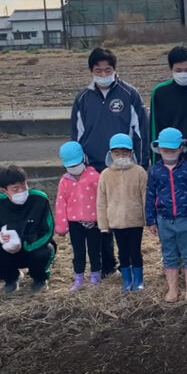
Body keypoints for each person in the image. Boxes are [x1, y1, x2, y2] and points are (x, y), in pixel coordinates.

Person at [70, 47, 150, 278]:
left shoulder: (129, 94)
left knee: (125, 215)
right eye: (98, 70)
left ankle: (131, 263)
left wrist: (141, 164)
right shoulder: (83, 98)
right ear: (91, 71)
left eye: (108, 69)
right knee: (100, 217)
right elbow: (77, 135)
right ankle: (107, 265)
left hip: (124, 166)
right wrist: (81, 168)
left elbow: (140, 131)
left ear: (115, 70)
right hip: (94, 167)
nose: (103, 74)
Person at [146, 128, 187, 302]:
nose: (169, 153)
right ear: (158, 149)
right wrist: (151, 220)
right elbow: (150, 196)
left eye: (173, 149)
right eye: (166, 150)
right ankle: (172, 289)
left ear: (181, 148)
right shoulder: (155, 171)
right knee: (169, 254)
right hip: (164, 219)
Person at [0, 165, 56, 294]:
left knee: (44, 252)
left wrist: (25, 244)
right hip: (8, 250)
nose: (22, 191)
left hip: (34, 247)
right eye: (15, 189)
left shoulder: (39, 199)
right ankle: (11, 278)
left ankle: (40, 279)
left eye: (24, 185)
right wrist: (0, 238)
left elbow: (48, 229)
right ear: (5, 191)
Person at [97, 133, 147, 292]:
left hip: (135, 220)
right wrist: (103, 224)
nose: (121, 156)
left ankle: (138, 280)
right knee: (122, 252)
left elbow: (145, 196)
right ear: (110, 154)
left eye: (125, 152)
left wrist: (147, 219)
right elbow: (101, 201)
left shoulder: (139, 172)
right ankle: (127, 280)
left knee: (135, 251)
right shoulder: (105, 175)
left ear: (132, 153)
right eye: (117, 153)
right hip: (116, 221)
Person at [55, 141, 102, 291]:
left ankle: (95, 274)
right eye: (70, 165)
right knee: (78, 251)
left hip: (94, 222)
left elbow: (102, 200)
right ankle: (78, 277)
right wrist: (61, 226)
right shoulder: (64, 181)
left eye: (76, 164)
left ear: (83, 159)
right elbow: (61, 203)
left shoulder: (95, 177)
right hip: (74, 223)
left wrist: (104, 220)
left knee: (95, 250)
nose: (74, 168)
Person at [149, 45, 187, 164]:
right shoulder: (160, 92)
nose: (183, 74)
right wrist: (155, 163)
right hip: (169, 157)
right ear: (171, 68)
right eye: (178, 70)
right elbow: (154, 128)